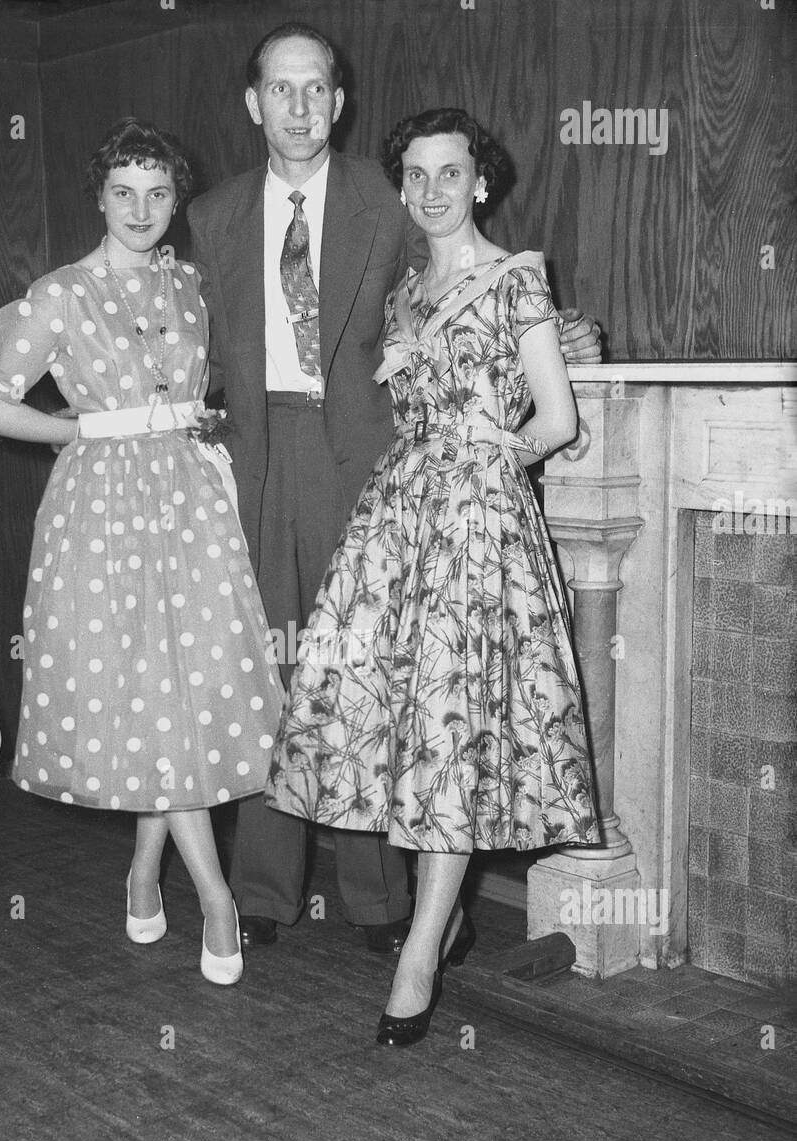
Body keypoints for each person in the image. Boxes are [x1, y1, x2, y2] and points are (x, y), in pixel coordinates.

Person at [188, 24, 600, 958]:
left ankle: (379, 900)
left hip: (378, 467)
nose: (299, 108)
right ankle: (262, 887)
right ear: (255, 103)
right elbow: (197, 345)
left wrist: (570, 349)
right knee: (274, 671)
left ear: (339, 101)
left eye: (316, 90)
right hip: (257, 456)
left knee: (374, 675)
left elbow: (490, 286)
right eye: (280, 90)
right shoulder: (212, 216)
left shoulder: (396, 192)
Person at [265, 108, 600, 1044]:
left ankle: (418, 959)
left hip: (477, 524)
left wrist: (506, 448)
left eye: (448, 173)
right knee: (395, 722)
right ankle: (437, 918)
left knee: (451, 730)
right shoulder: (409, 289)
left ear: (479, 181)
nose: (431, 191)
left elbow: (561, 421)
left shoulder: (513, 283)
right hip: (401, 517)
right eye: (414, 176)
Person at [0, 118, 283, 986]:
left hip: (187, 504)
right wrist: (81, 427)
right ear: (99, 197)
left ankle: (147, 871)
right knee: (149, 694)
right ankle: (216, 899)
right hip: (102, 513)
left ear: (176, 201)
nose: (141, 209)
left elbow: (202, 385)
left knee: (179, 700)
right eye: (123, 193)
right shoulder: (59, 294)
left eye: (158, 194)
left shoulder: (190, 287)